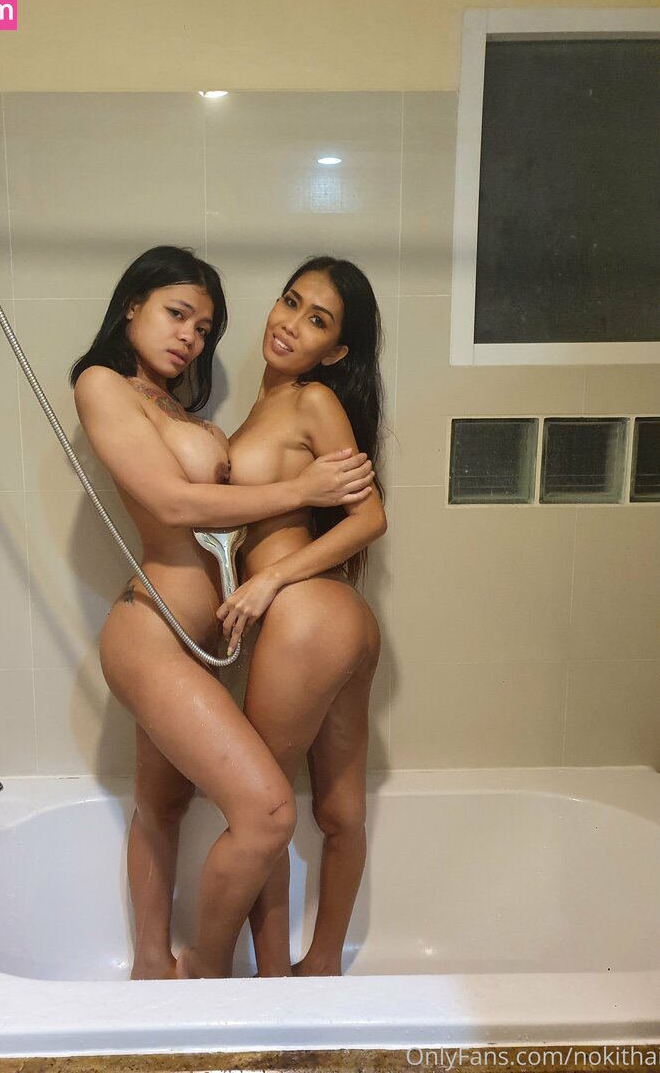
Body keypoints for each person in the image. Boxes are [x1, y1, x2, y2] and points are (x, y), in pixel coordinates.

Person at [70, 246, 375, 980]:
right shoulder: (102, 383)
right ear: (132, 304)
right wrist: (300, 490)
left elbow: (359, 514)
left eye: (204, 329)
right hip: (151, 630)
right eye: (177, 314)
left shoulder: (180, 408)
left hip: (197, 643)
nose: (189, 337)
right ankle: (198, 973)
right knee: (267, 811)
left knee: (162, 806)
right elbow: (175, 504)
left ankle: (151, 966)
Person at [218, 257, 387, 976]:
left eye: (316, 320)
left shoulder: (311, 400)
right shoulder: (264, 407)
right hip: (337, 618)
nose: (289, 324)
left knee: (263, 811)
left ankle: (276, 985)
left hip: (306, 614)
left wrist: (269, 581)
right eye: (290, 301)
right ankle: (318, 968)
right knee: (339, 813)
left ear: (336, 350)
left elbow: (370, 517)